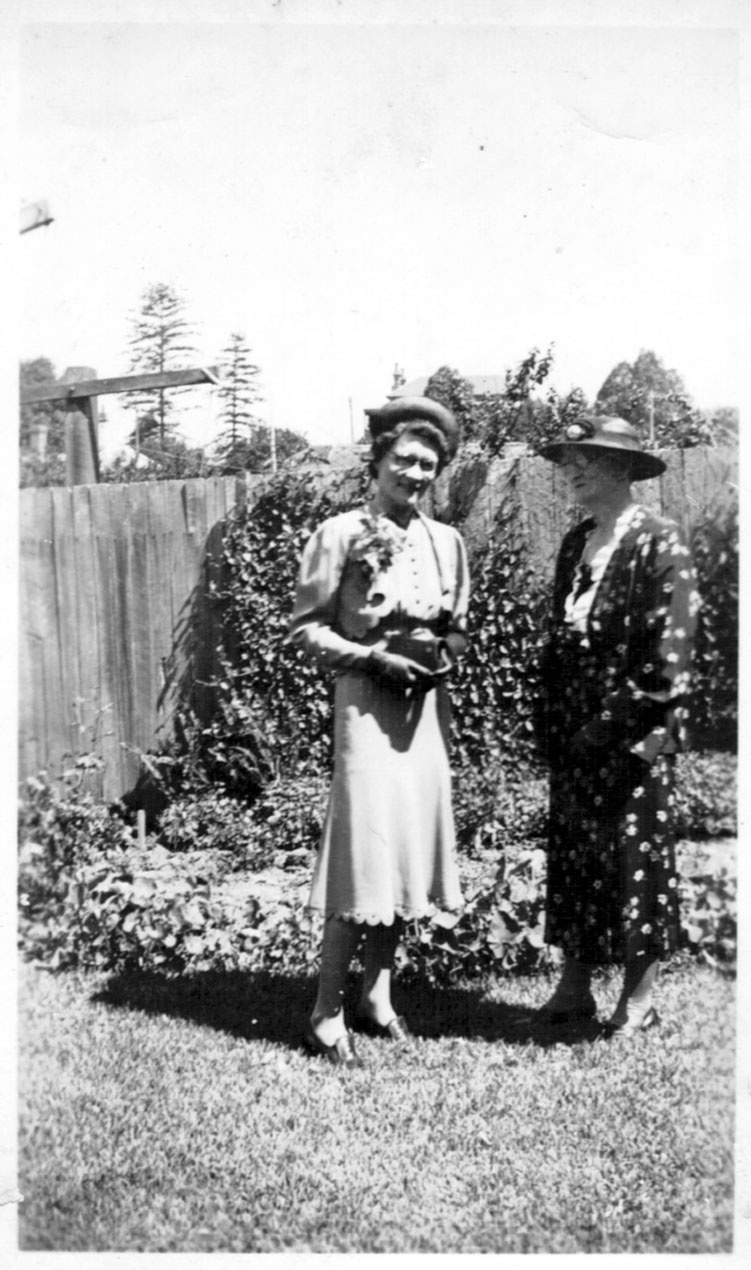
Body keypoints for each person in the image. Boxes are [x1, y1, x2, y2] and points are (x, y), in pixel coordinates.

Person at [290, 397, 469, 1066]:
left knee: (402, 853)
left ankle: (377, 998)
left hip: (423, 711)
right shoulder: (338, 533)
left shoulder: (445, 540)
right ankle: (324, 1013)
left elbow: (457, 623)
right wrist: (372, 657)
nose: (415, 473)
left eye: (427, 464)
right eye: (404, 460)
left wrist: (443, 655)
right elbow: (306, 630)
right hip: (365, 704)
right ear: (378, 461)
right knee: (364, 853)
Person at [534, 416, 699, 1037]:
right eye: (570, 460)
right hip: (574, 726)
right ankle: (573, 991)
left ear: (625, 471)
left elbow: (669, 655)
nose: (573, 470)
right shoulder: (577, 541)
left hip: (633, 728)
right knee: (577, 856)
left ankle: (639, 1000)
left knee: (635, 857)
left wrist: (611, 725)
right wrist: (555, 720)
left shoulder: (661, 541)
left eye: (590, 461)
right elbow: (560, 635)